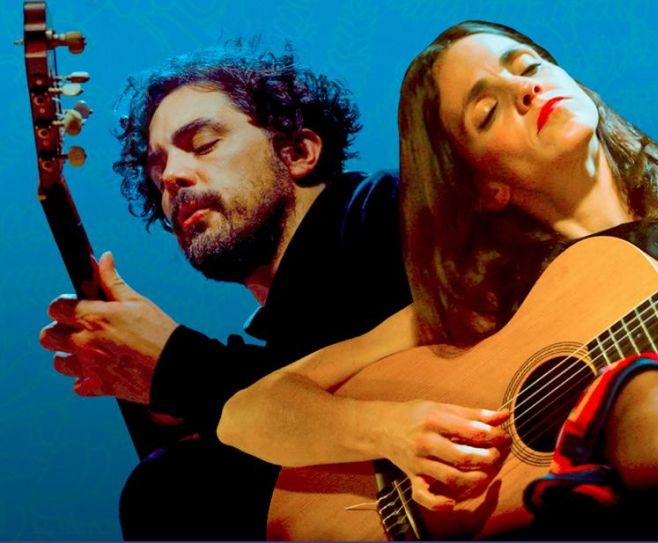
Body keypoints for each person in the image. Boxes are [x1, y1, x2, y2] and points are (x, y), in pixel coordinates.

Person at [218, 21, 658, 540]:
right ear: (484, 187)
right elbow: (248, 412)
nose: (524, 88)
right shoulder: (486, 309)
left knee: (655, 398)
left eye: (529, 67)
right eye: (487, 111)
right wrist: (390, 430)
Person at [37, 41, 411, 540]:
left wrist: (175, 366)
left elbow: (387, 388)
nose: (171, 178)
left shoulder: (388, 210)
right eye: (157, 173)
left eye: (204, 144)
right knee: (172, 489)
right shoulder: (279, 348)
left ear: (299, 152)